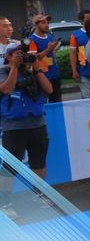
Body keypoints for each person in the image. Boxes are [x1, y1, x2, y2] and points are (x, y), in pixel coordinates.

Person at [0, 42, 53, 182]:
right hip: (14, 127)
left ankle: (39, 193)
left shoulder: (32, 71)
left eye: (23, 54)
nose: (22, 57)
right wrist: (14, 67)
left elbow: (49, 89)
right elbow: (7, 89)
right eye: (17, 54)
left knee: (39, 163)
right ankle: (5, 196)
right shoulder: (3, 72)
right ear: (8, 57)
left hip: (38, 125)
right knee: (9, 169)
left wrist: (37, 69)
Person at [28, 14, 62, 102]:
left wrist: (53, 49)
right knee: (43, 102)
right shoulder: (32, 40)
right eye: (43, 23)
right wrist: (49, 49)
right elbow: (34, 58)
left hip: (54, 74)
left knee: (57, 102)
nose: (47, 25)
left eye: (47, 23)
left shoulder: (49, 36)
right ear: (36, 25)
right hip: (42, 76)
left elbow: (52, 53)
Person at [70, 9, 90, 99]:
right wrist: (74, 71)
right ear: (82, 20)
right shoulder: (75, 35)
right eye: (88, 18)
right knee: (86, 97)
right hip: (84, 71)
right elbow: (73, 54)